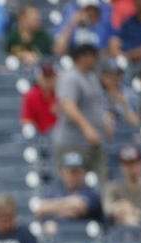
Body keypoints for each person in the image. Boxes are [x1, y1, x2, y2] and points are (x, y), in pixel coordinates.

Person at [52, 43, 107, 181]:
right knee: (73, 185)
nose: (96, 60)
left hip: (93, 142)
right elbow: (68, 106)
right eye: (93, 56)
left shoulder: (91, 76)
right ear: (83, 57)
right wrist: (87, 128)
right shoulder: (70, 77)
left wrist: (105, 121)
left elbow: (95, 105)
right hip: (73, 143)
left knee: (100, 183)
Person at [35, 152, 103, 224]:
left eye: (77, 171)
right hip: (59, 234)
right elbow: (40, 209)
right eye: (70, 172)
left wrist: (53, 209)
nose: (73, 176)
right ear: (63, 173)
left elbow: (78, 207)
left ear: (83, 172)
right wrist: (66, 206)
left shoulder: (90, 192)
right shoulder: (55, 190)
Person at [103, 145, 141, 226]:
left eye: (134, 163)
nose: (131, 167)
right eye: (127, 163)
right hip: (118, 233)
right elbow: (107, 209)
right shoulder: (113, 188)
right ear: (122, 166)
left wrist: (132, 211)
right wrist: (119, 207)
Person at [108, 0, 141, 65]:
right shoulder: (130, 21)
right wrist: (121, 56)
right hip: (127, 60)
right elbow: (114, 41)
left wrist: (132, 55)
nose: (137, 2)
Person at [99, 57, 140, 130]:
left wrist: (125, 106)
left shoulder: (130, 93)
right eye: (111, 75)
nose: (115, 79)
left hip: (127, 135)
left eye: (118, 75)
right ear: (103, 77)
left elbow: (136, 124)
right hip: (103, 135)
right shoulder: (95, 93)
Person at [20, 62, 58, 135]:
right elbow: (26, 120)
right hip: (40, 138)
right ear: (39, 78)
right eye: (45, 77)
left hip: (62, 137)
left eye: (51, 77)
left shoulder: (63, 94)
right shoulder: (31, 95)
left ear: (56, 77)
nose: (48, 81)